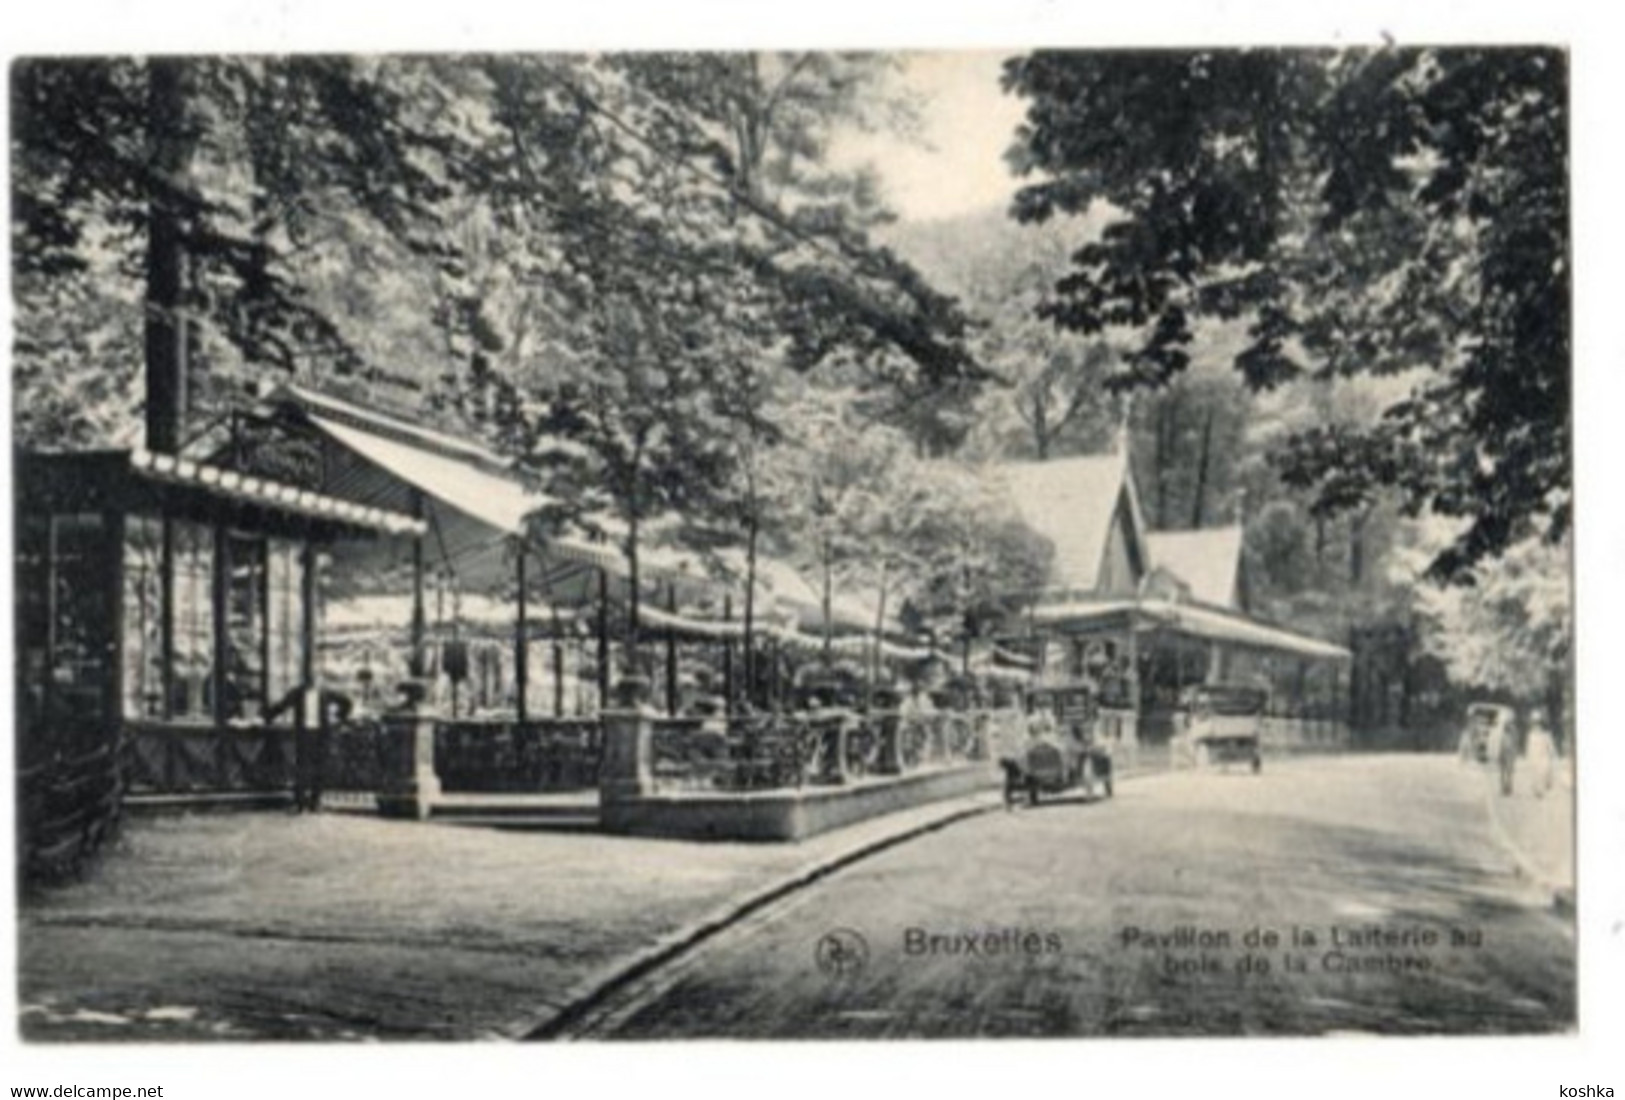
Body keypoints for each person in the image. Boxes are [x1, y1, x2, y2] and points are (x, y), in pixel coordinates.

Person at [1525, 711, 1558, 798]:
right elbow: (1529, 747)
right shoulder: (1531, 735)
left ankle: (1541, 791)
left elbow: (1551, 746)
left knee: (1542, 773)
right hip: (1534, 758)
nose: (1537, 727)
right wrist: (1528, 757)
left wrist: (1552, 754)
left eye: (1538, 724)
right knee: (1535, 775)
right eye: (1535, 724)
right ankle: (1537, 790)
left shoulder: (1546, 735)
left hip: (1544, 757)